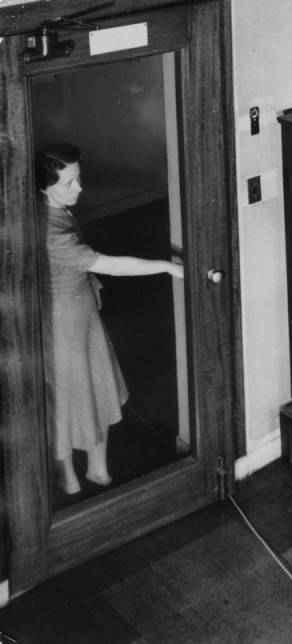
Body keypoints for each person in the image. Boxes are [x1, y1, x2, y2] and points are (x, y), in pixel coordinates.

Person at [36, 143, 184, 495]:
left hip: (79, 313)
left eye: (78, 180)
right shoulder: (50, 234)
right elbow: (111, 264)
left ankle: (95, 471)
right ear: (44, 186)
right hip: (64, 324)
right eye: (69, 183)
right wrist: (166, 266)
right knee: (71, 398)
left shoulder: (53, 209)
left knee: (90, 389)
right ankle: (70, 478)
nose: (79, 189)